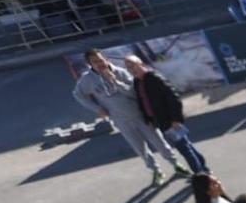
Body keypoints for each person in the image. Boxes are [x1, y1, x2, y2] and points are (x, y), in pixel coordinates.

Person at [73, 48, 182, 184]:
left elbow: (133, 93)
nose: (100, 64)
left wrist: (116, 83)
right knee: (140, 148)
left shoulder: (120, 72)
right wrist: (97, 109)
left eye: (101, 60)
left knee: (158, 142)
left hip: (139, 115)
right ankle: (156, 171)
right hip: (120, 120)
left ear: (106, 59)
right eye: (95, 62)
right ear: (90, 65)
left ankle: (176, 164)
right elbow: (78, 95)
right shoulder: (87, 80)